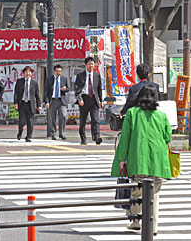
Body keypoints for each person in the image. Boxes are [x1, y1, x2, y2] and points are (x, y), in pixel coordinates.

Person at [111, 84, 172, 235]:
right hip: (157, 162)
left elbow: (124, 138)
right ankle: (153, 227)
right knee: (154, 195)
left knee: (137, 191)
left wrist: (121, 158)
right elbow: (168, 137)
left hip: (138, 160)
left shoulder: (132, 113)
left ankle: (136, 220)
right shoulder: (162, 115)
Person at [74, 56, 104, 145]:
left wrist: (101, 101)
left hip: (94, 99)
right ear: (85, 65)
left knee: (95, 119)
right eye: (89, 64)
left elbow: (99, 89)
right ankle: (83, 139)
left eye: (92, 64)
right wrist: (79, 99)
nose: (91, 66)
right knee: (83, 121)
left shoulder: (97, 75)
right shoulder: (80, 76)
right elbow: (76, 89)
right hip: (84, 99)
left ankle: (96, 137)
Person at [14, 66, 41, 142]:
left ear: (32, 74)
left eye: (29, 72)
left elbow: (37, 95)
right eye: (26, 72)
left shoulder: (34, 83)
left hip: (30, 104)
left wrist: (39, 105)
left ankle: (28, 136)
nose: (28, 73)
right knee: (22, 121)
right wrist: (16, 103)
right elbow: (16, 94)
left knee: (30, 121)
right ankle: (20, 132)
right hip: (22, 103)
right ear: (23, 73)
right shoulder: (19, 81)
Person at [44, 64, 69, 140]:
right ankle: (53, 134)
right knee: (53, 118)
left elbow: (68, 88)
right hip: (52, 100)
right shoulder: (49, 79)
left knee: (63, 116)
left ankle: (62, 133)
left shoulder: (64, 79)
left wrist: (65, 89)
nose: (59, 72)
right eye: (57, 71)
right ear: (54, 71)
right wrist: (47, 101)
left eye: (60, 71)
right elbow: (45, 91)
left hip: (61, 101)